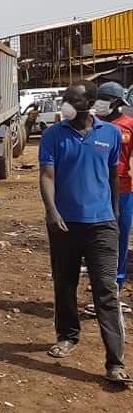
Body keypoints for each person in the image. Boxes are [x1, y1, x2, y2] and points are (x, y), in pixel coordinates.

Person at [39, 81, 131, 383]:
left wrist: (114, 214)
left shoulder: (111, 134)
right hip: (64, 225)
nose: (66, 103)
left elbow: (112, 176)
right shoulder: (53, 135)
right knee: (64, 285)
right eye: (65, 98)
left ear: (90, 102)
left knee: (106, 291)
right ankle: (67, 336)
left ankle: (115, 361)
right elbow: (47, 175)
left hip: (101, 224)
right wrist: (52, 212)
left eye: (72, 99)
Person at [94, 81, 133, 308]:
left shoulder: (129, 125)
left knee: (120, 237)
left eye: (105, 99)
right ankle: (102, 284)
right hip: (97, 191)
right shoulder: (93, 125)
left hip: (125, 191)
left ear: (117, 102)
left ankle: (116, 286)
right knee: (97, 240)